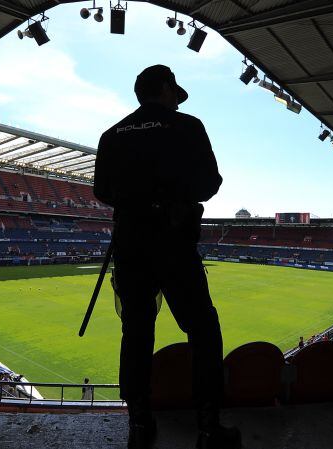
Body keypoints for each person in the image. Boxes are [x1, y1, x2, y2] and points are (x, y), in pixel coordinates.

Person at [94, 65, 239, 449]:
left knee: (137, 331)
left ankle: (139, 424)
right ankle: (208, 426)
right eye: (175, 92)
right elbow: (210, 183)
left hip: (130, 243)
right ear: (164, 89)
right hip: (174, 240)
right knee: (203, 328)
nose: (177, 99)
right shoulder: (187, 126)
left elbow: (101, 191)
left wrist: (135, 198)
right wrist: (171, 194)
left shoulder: (112, 135)